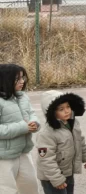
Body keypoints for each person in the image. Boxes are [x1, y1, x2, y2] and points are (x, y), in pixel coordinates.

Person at [36, 90, 86, 194]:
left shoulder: (73, 124)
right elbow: (46, 159)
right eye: (61, 109)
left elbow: (80, 141)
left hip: (67, 172)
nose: (67, 111)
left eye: (68, 107)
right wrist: (56, 179)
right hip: (52, 177)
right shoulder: (47, 133)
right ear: (52, 112)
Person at [0, 64, 39, 194]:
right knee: (7, 190)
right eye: (18, 78)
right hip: (4, 157)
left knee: (31, 187)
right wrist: (23, 127)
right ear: (5, 79)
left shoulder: (22, 97)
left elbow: (31, 113)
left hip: (23, 152)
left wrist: (34, 123)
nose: (22, 81)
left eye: (23, 78)